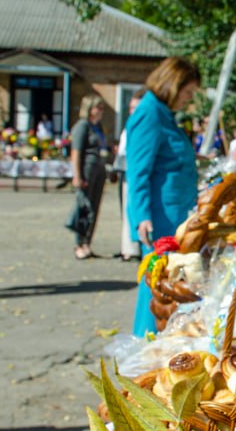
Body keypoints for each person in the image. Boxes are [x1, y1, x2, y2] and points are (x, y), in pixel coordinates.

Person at [125, 57, 201, 336]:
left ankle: (159, 346)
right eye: (188, 93)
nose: (188, 100)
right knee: (155, 289)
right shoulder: (150, 113)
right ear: (173, 84)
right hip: (160, 219)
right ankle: (145, 349)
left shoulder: (163, 114)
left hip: (175, 215)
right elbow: (138, 171)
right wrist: (142, 216)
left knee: (167, 289)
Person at [66, 95, 110, 260]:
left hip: (99, 170)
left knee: (95, 207)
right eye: (98, 107)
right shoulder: (82, 126)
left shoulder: (97, 127)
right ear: (89, 108)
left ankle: (87, 242)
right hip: (86, 170)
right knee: (84, 208)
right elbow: (76, 152)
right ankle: (79, 243)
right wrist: (76, 175)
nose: (100, 111)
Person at [114, 89, 144, 262]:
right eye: (131, 108)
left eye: (135, 107)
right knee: (129, 208)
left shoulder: (135, 125)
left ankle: (133, 246)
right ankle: (129, 248)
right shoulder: (132, 126)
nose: (132, 111)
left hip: (132, 170)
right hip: (129, 170)